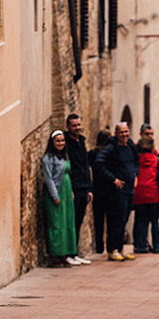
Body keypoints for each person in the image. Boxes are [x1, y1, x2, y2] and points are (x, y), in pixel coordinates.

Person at [95, 122, 139, 261]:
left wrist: (136, 174)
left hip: (130, 190)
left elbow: (136, 162)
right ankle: (112, 249)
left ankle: (120, 248)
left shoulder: (131, 145)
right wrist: (113, 179)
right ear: (116, 133)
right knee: (116, 221)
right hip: (117, 192)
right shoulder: (111, 148)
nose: (124, 135)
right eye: (121, 132)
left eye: (126, 132)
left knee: (124, 220)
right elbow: (98, 163)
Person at [42, 129, 78, 267]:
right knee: (56, 224)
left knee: (67, 223)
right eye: (58, 141)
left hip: (67, 192)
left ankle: (65, 253)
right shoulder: (47, 159)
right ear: (52, 142)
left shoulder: (64, 156)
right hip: (56, 192)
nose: (61, 143)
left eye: (62, 140)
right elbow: (48, 178)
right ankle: (55, 255)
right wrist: (55, 195)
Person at [133, 123, 159, 253]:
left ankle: (140, 246)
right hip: (154, 194)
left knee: (141, 221)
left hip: (139, 193)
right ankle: (157, 246)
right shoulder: (156, 159)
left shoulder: (136, 158)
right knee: (154, 221)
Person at [64, 113, 92, 264]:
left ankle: (74, 252)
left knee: (79, 220)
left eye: (78, 125)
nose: (77, 128)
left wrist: (89, 188)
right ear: (68, 127)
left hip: (83, 187)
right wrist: (72, 190)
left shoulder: (81, 141)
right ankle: (68, 253)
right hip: (73, 187)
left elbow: (85, 166)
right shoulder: (66, 143)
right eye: (74, 125)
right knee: (71, 220)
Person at [89, 127, 112, 254]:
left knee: (98, 220)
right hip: (109, 189)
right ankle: (109, 246)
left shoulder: (92, 153)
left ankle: (99, 246)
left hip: (97, 188)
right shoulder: (111, 155)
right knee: (110, 220)